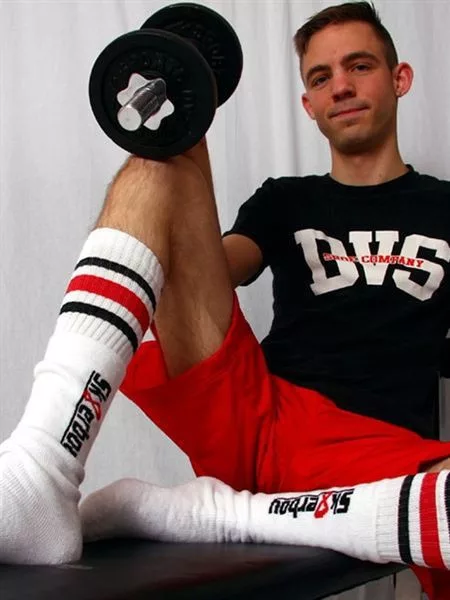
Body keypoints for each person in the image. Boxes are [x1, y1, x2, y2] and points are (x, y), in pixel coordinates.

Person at [0, 1, 449, 598]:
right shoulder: (284, 200)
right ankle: (41, 468)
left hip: (379, 451)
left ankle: (218, 513)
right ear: (308, 104)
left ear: (400, 78)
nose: (340, 86)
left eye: (359, 66)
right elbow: (204, 266)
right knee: (155, 165)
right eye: (321, 77)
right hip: (258, 415)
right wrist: (182, 109)